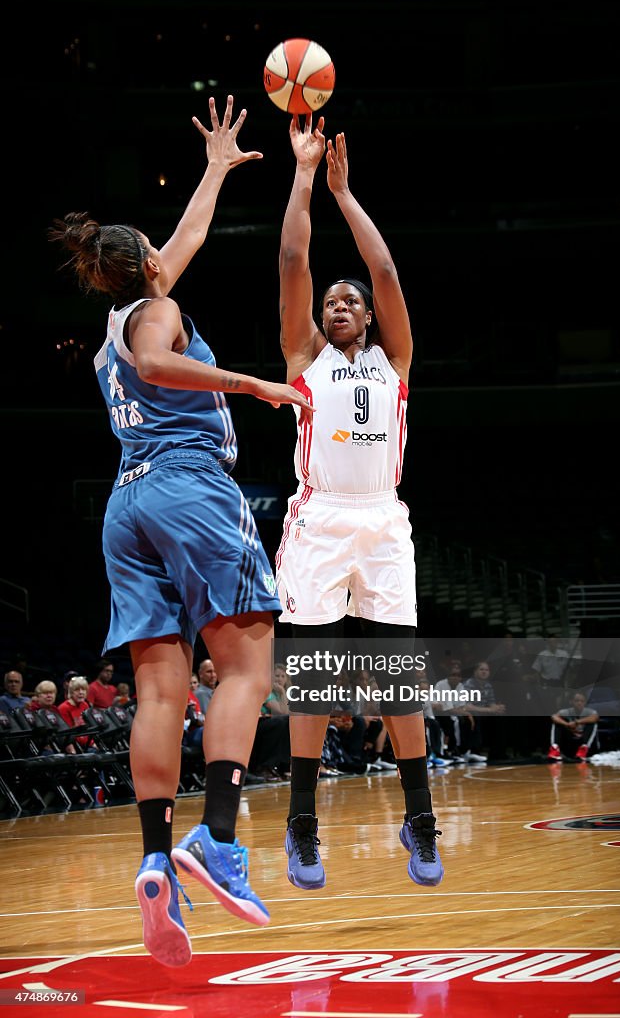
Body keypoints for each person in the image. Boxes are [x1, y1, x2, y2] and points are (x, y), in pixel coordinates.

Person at [48, 94, 314, 968]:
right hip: (187, 487)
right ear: (146, 267)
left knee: (162, 690)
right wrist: (252, 386)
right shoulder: (153, 321)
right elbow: (162, 359)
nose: (175, 252)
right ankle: (222, 840)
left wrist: (212, 168)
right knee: (244, 661)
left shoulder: (114, 323)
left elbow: (181, 246)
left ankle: (157, 860)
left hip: (127, 507)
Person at [274, 114, 442, 891]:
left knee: (396, 675)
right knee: (312, 676)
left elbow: (387, 273)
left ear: (367, 318)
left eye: (350, 301)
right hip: (318, 520)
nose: (339, 303)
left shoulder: (393, 360)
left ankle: (420, 818)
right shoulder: (304, 356)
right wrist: (305, 176)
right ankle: (301, 822)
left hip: (382, 522)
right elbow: (292, 258)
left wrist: (345, 192)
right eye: (331, 301)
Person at [547, 690, 599, 761]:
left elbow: (595, 718)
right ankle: (554, 748)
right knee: (556, 723)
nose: (579, 703)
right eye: (577, 701)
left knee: (593, 724)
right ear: (571, 701)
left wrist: (577, 722)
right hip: (571, 741)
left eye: (582, 701)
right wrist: (567, 724)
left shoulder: (590, 711)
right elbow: (554, 717)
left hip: (585, 741)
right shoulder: (567, 711)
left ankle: (584, 748)